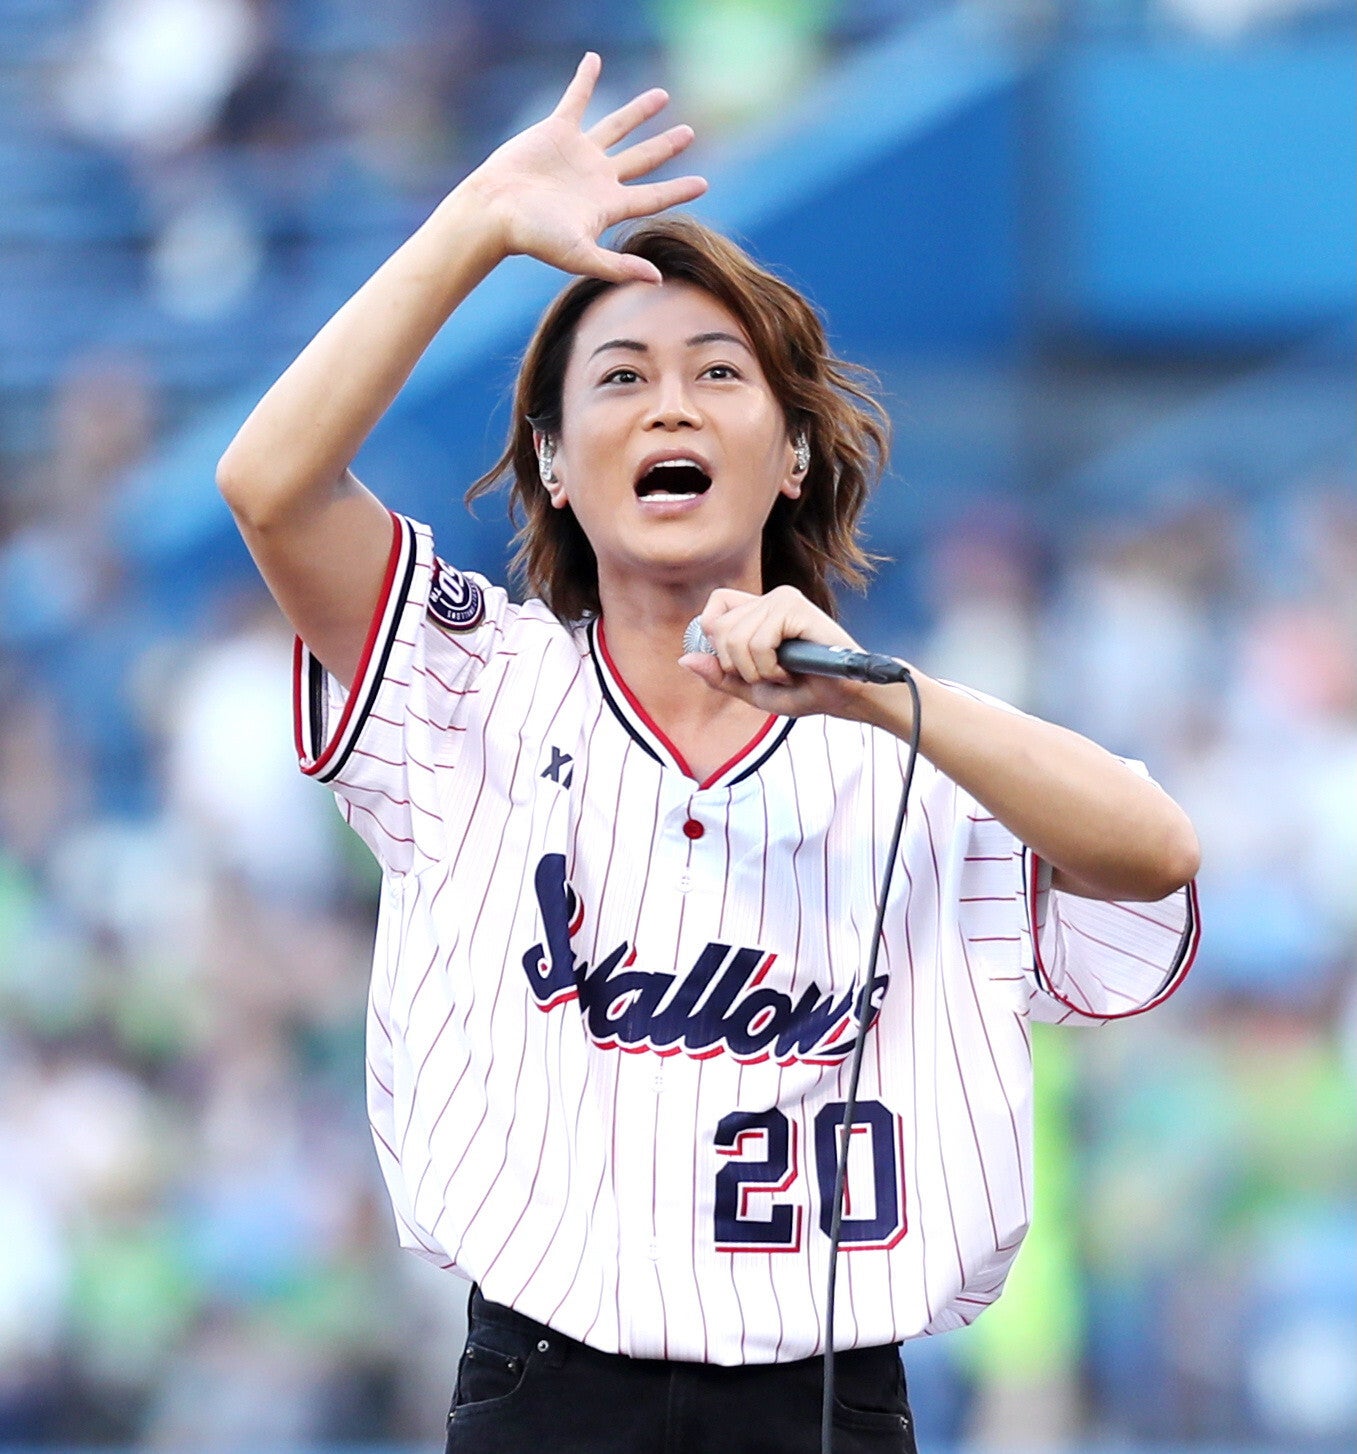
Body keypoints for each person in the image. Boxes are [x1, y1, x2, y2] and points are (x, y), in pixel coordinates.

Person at [217, 53, 1201, 1454]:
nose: (669, 405)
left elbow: (1155, 852)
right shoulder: (474, 686)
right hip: (543, 1387)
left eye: (718, 374)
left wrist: (875, 696)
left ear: (791, 454)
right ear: (553, 462)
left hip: (827, 1397)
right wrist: (479, 222)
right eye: (620, 378)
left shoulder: (912, 736)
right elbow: (269, 486)